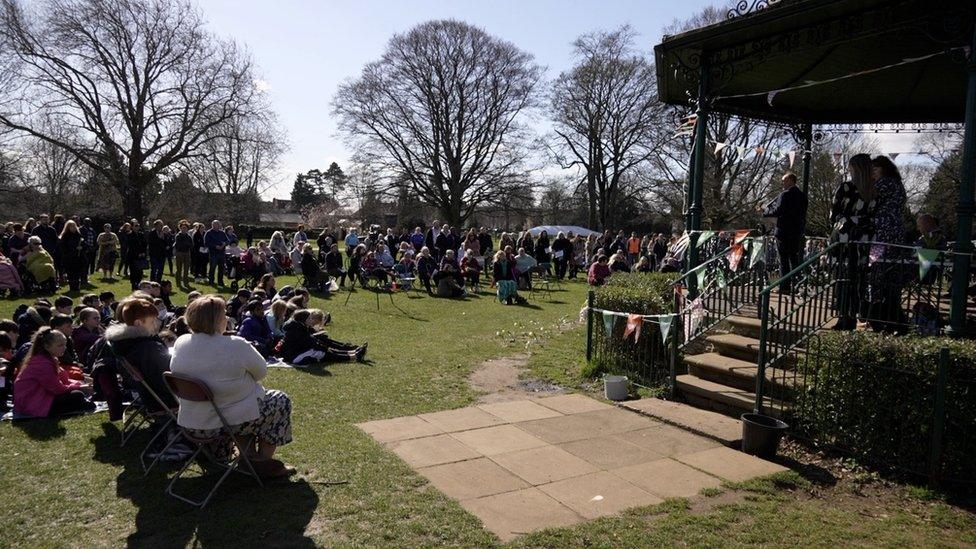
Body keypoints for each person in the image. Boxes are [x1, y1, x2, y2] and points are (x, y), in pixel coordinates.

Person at [171, 295, 295, 477]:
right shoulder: (236, 345)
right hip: (222, 422)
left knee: (245, 403)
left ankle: (248, 457)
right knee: (279, 400)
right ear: (216, 320)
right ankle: (261, 463)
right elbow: (261, 373)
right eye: (224, 315)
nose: (227, 318)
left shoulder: (181, 342)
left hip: (193, 421)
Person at [829, 153, 877, 330]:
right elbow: (835, 214)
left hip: (853, 240)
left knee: (850, 279)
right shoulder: (865, 190)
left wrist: (850, 221)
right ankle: (850, 315)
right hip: (854, 241)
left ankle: (850, 316)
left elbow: (834, 214)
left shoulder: (857, 189)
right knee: (851, 278)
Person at [105, 296, 176, 413]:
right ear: (138, 323)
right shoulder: (148, 347)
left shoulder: (122, 343)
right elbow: (166, 378)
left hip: (147, 396)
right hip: (165, 398)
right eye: (152, 321)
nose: (156, 325)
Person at [866, 155, 909, 333]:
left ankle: (883, 319)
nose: (872, 174)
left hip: (884, 234)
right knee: (888, 277)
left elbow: (866, 195)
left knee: (880, 274)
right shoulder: (897, 184)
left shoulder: (886, 183)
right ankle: (889, 319)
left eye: (875, 170)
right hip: (893, 233)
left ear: (883, 169)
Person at [13, 327, 95, 417]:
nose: (64, 348)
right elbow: (58, 389)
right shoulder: (42, 363)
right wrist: (80, 387)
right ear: (47, 346)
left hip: (41, 395)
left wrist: (81, 384)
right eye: (60, 345)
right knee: (77, 395)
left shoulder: (49, 359)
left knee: (78, 394)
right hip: (32, 402)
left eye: (65, 344)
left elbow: (64, 380)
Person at [761, 171, 808, 294]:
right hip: (796, 232)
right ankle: (799, 285)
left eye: (784, 180)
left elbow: (777, 211)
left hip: (783, 232)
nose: (782, 182)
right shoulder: (803, 196)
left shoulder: (784, 195)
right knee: (794, 259)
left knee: (783, 261)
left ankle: (785, 287)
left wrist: (764, 211)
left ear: (791, 180)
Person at [278, 308, 365, 365]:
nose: (311, 320)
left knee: (323, 350)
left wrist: (325, 347)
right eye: (309, 319)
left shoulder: (299, 326)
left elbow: (312, 340)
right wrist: (325, 348)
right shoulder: (297, 329)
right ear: (303, 320)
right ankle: (353, 356)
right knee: (323, 353)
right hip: (293, 356)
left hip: (296, 352)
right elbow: (311, 342)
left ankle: (352, 353)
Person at [59, 220, 86, 292]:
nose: (74, 228)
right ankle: (72, 287)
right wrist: (74, 248)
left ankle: (77, 287)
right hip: (69, 258)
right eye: (72, 226)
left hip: (78, 258)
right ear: (68, 227)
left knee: (77, 273)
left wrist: (82, 247)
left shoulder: (78, 235)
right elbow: (63, 248)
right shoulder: (65, 236)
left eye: (74, 226)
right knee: (70, 274)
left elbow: (84, 244)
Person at [204, 220, 229, 286]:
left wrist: (224, 244)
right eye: (214, 224)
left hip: (221, 253)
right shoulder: (209, 233)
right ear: (212, 225)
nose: (216, 226)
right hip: (213, 253)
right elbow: (206, 243)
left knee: (221, 268)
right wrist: (215, 246)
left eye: (217, 224)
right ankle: (211, 281)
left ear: (219, 225)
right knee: (212, 268)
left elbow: (227, 241)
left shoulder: (222, 233)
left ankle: (220, 282)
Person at [126, 221, 148, 291]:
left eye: (138, 225)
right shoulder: (129, 235)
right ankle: (133, 286)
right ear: (132, 227)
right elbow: (131, 246)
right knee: (133, 272)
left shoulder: (141, 234)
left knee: (140, 272)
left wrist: (143, 252)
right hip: (133, 257)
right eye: (136, 225)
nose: (137, 227)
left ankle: (139, 285)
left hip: (141, 256)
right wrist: (137, 253)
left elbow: (145, 244)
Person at [172, 220, 193, 287]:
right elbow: (178, 245)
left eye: (185, 228)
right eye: (182, 228)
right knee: (179, 269)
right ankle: (178, 283)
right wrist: (186, 244)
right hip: (179, 253)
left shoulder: (188, 236)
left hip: (187, 253)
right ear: (180, 228)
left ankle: (186, 282)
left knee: (186, 269)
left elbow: (191, 245)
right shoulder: (178, 236)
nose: (184, 229)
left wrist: (186, 244)